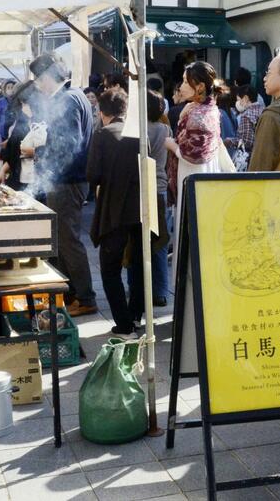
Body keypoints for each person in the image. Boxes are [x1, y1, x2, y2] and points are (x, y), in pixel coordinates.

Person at [30, 52, 95, 317]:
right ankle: (69, 294)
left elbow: (70, 143)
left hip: (68, 181)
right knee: (62, 238)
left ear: (47, 77)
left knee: (67, 240)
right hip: (70, 180)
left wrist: (42, 153)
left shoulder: (68, 99)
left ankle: (86, 297)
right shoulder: (74, 94)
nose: (38, 85)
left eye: (38, 80)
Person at [86, 91, 144, 338]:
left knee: (109, 269)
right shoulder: (138, 134)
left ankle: (124, 324)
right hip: (141, 208)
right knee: (140, 265)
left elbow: (92, 174)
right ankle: (136, 316)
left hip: (114, 210)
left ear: (101, 111)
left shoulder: (101, 135)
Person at [165, 62, 223, 285]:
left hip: (194, 176)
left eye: (184, 81)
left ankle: (191, 290)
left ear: (198, 86)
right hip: (199, 176)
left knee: (193, 232)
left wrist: (172, 145)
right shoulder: (206, 109)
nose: (180, 86)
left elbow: (195, 154)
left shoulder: (200, 114)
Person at [144, 90, 171, 307]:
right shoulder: (165, 129)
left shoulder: (140, 130)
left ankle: (141, 287)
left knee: (139, 241)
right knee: (160, 241)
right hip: (161, 187)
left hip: (143, 188)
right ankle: (161, 291)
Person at [0, 82, 36, 191]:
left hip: (37, 182)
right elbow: (13, 150)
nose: (24, 107)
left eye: (26, 103)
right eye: (22, 103)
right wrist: (3, 170)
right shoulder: (22, 121)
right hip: (18, 178)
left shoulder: (43, 121)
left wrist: (35, 152)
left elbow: (54, 152)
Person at [234, 84, 264, 152]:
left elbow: (247, 142)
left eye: (239, 100)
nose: (238, 103)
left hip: (252, 156)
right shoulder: (264, 110)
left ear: (245, 98)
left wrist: (231, 141)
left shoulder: (246, 116)